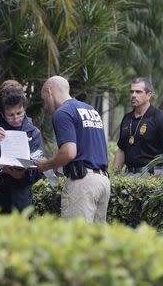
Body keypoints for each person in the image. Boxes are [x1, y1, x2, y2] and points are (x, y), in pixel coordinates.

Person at [36, 76, 110, 223]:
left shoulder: (62, 112)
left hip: (83, 183)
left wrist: (47, 165)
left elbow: (69, 152)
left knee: (75, 239)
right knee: (95, 241)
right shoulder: (91, 110)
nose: (46, 105)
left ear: (49, 91)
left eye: (44, 100)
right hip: (103, 181)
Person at [0, 85, 44, 213]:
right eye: (10, 115)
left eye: (19, 113)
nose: (16, 118)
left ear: (24, 109)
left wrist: (23, 173)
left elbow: (39, 166)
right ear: (2, 113)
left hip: (20, 197)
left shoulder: (32, 132)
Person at [113, 77, 163, 176]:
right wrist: (114, 176)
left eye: (138, 92)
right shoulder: (127, 119)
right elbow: (121, 150)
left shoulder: (160, 117)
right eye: (132, 92)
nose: (133, 95)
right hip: (128, 175)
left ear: (148, 95)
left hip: (153, 176)